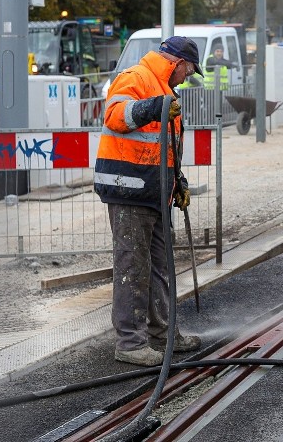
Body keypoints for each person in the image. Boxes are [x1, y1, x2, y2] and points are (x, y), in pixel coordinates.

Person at [93, 36, 203, 367]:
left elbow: (162, 146)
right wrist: (153, 107)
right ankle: (130, 342)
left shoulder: (165, 90)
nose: (187, 78)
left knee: (161, 266)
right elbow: (114, 115)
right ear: (179, 64)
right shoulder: (136, 78)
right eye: (189, 72)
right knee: (134, 266)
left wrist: (177, 181)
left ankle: (162, 334)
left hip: (153, 191)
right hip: (128, 190)